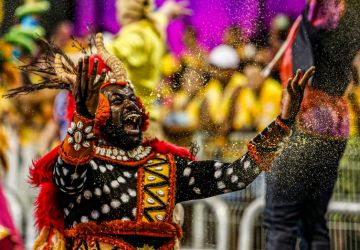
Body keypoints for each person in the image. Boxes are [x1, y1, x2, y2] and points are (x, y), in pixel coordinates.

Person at [5, 32, 314, 249]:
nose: (130, 105)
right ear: (96, 113)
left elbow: (238, 174)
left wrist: (284, 122)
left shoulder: (165, 165)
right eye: (115, 100)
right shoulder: (85, 166)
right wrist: (82, 118)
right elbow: (66, 177)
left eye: (131, 99)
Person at [264, 0, 360, 249]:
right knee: (314, 223)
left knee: (281, 220)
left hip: (305, 118)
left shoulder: (331, 9)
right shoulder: (355, 13)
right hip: (336, 123)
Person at [107, 0, 191, 123]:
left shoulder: (135, 37)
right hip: (149, 117)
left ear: (126, 12)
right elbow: (162, 16)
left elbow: (100, 54)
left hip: (134, 123)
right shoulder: (152, 28)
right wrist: (168, 11)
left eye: (118, 8)